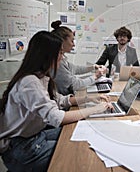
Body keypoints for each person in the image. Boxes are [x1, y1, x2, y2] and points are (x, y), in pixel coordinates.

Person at [0, 31, 113, 172]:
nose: (62, 57)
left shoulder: (41, 76)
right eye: (60, 53)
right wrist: (96, 109)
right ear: (48, 55)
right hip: (21, 148)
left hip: (33, 136)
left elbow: (61, 100)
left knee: (79, 132)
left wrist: (89, 98)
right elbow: (58, 118)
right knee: (78, 151)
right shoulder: (29, 82)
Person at [51, 20, 107, 95]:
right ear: (62, 41)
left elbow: (75, 68)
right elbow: (76, 85)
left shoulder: (62, 59)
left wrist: (93, 67)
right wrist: (96, 76)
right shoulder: (58, 62)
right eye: (72, 41)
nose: (73, 45)